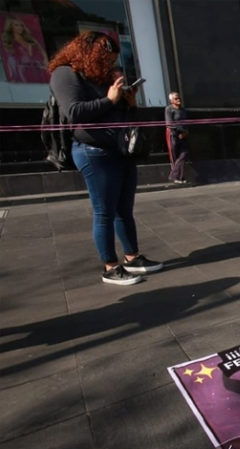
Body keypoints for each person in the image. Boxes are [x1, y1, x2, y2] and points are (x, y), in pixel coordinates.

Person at [48, 31, 163, 285]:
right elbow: (75, 112)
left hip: (120, 150)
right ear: (87, 53)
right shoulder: (65, 74)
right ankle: (110, 267)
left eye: (111, 59)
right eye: (104, 58)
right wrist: (109, 99)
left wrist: (128, 101)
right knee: (104, 212)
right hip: (94, 152)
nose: (108, 63)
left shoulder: (101, 77)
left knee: (125, 209)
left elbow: (119, 114)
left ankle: (132, 258)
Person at [1, 14, 49, 83]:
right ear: (10, 26)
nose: (19, 27)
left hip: (38, 73)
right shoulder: (9, 43)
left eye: (21, 25)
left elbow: (43, 54)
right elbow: (10, 61)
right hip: (21, 76)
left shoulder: (31, 40)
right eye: (16, 25)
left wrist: (44, 61)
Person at [165, 91, 189, 184]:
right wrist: (179, 131)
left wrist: (186, 132)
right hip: (173, 134)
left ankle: (175, 175)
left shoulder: (183, 110)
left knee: (183, 154)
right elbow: (169, 123)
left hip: (183, 135)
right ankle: (178, 177)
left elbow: (186, 122)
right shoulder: (169, 109)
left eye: (179, 98)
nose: (178, 99)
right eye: (176, 98)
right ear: (171, 100)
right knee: (174, 155)